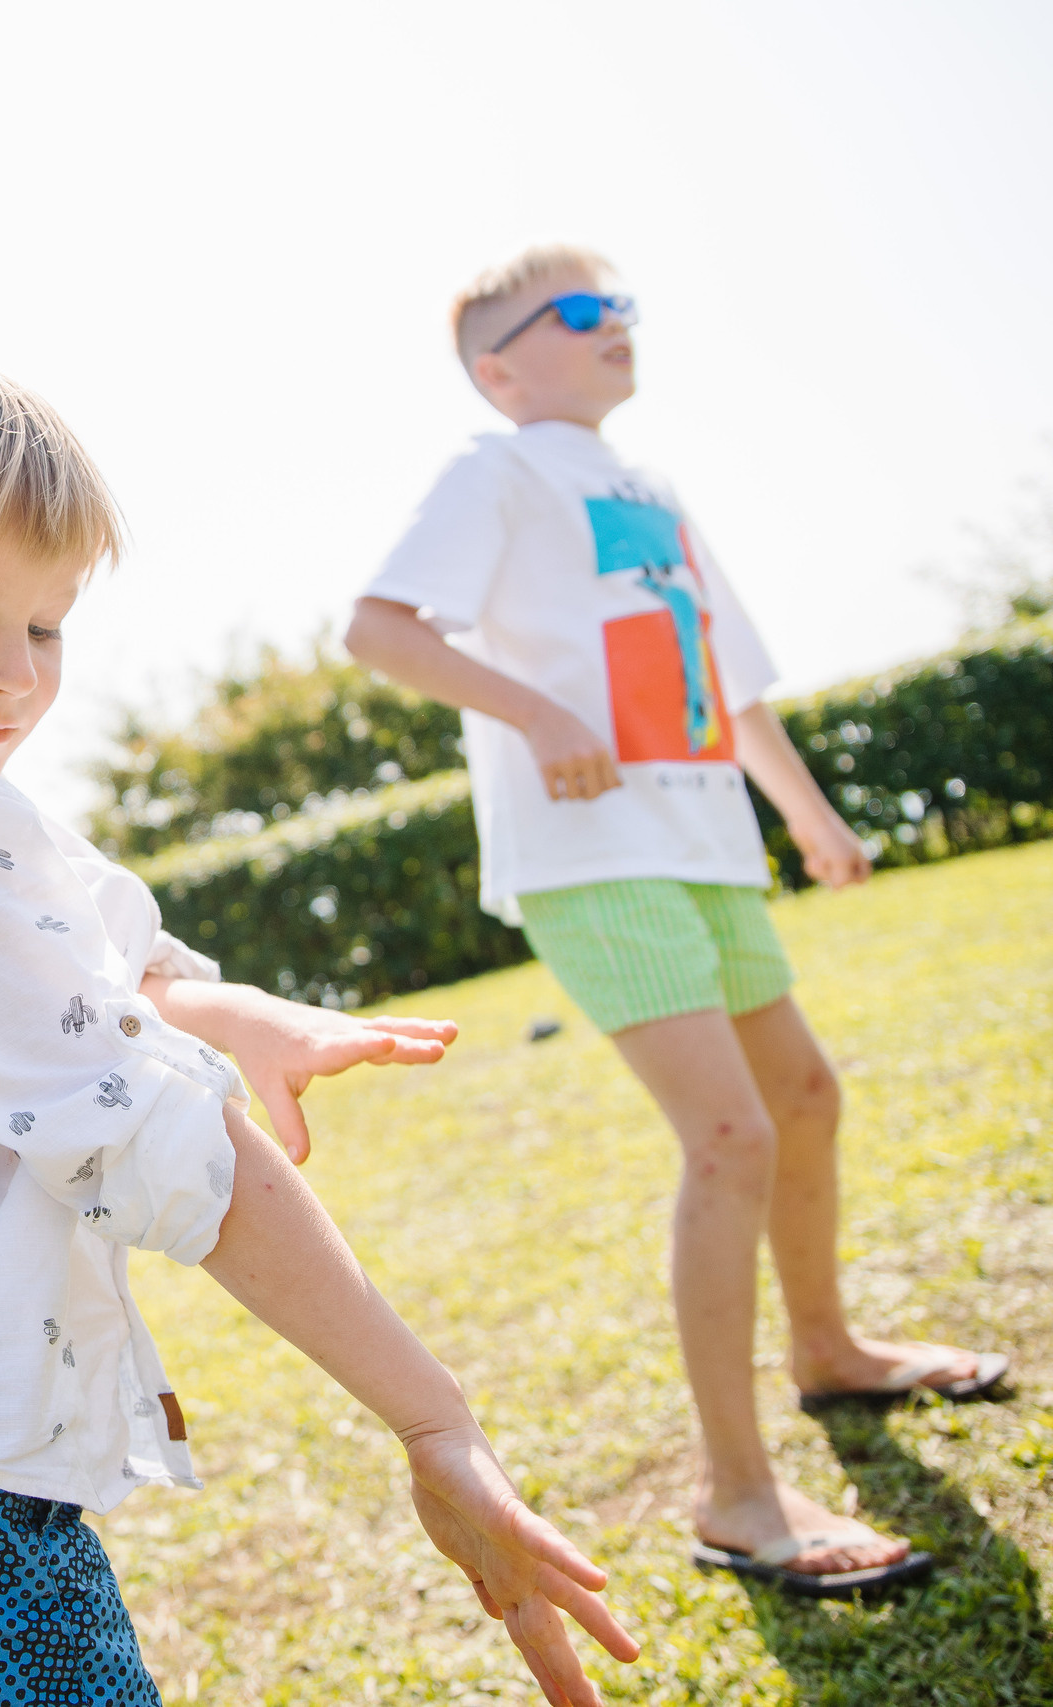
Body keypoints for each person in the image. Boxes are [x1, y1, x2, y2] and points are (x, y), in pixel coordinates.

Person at [0, 343, 639, 1705]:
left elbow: (86, 938)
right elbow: (157, 1135)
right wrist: (433, 1415)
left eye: (47, 628)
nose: (13, 679)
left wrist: (231, 1010)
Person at [344, 244, 1010, 1599]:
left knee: (804, 1095)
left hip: (703, 841)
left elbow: (733, 679)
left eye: (620, 307)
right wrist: (537, 711)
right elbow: (378, 627)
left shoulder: (651, 489)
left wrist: (809, 814)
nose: (615, 326)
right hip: (596, 857)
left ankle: (830, 1349)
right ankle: (737, 1492)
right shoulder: (498, 469)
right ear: (501, 365)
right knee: (732, 1131)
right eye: (581, 314)